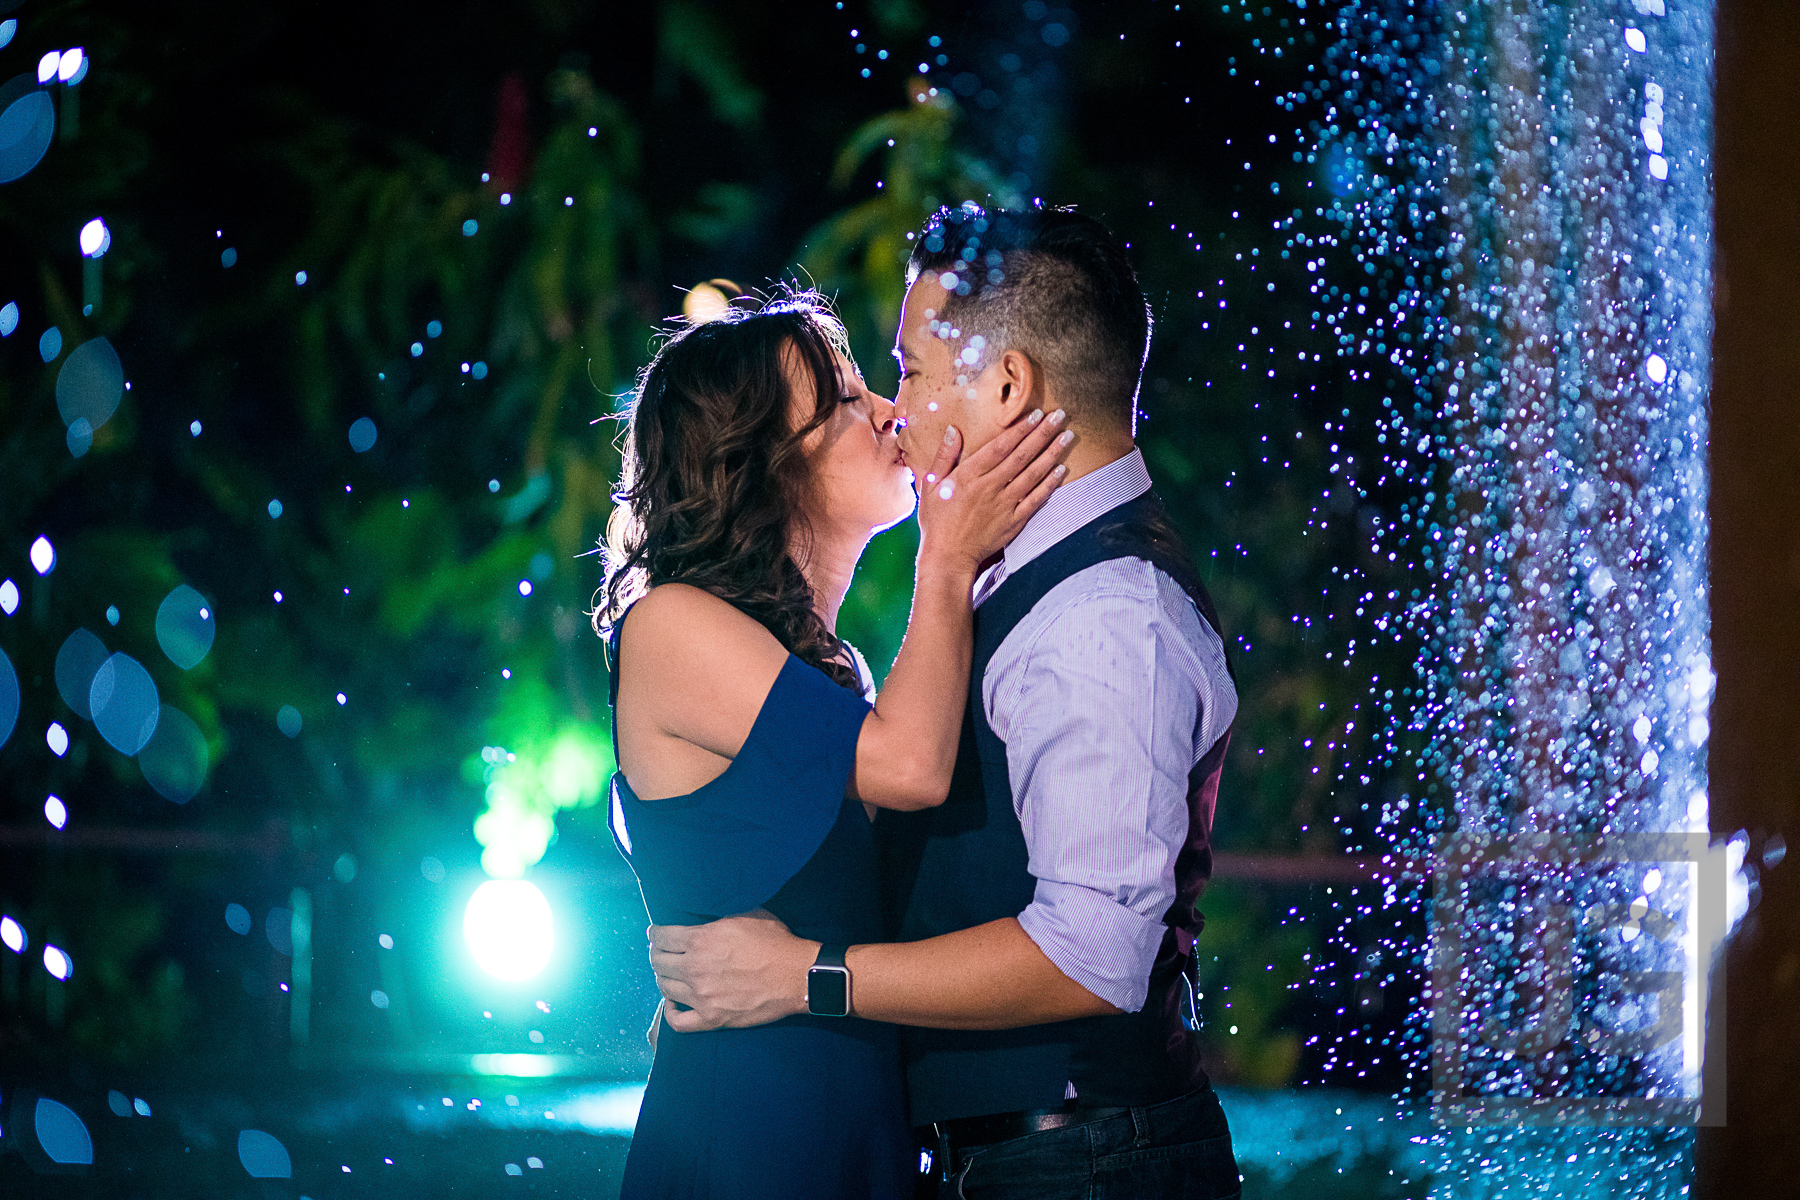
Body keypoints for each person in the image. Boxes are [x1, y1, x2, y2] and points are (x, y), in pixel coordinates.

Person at [648, 205, 1245, 1200]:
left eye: (912, 370)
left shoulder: (1104, 612)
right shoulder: (1021, 583)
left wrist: (804, 975)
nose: (897, 407)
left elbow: (1093, 956)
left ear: (1008, 385)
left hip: (1079, 1161)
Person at [596, 287, 1073, 1200]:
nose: (893, 413)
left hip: (855, 1122)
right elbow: (912, 768)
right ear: (764, 464)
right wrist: (947, 554)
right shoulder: (670, 626)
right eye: (850, 400)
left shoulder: (829, 668)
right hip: (754, 1135)